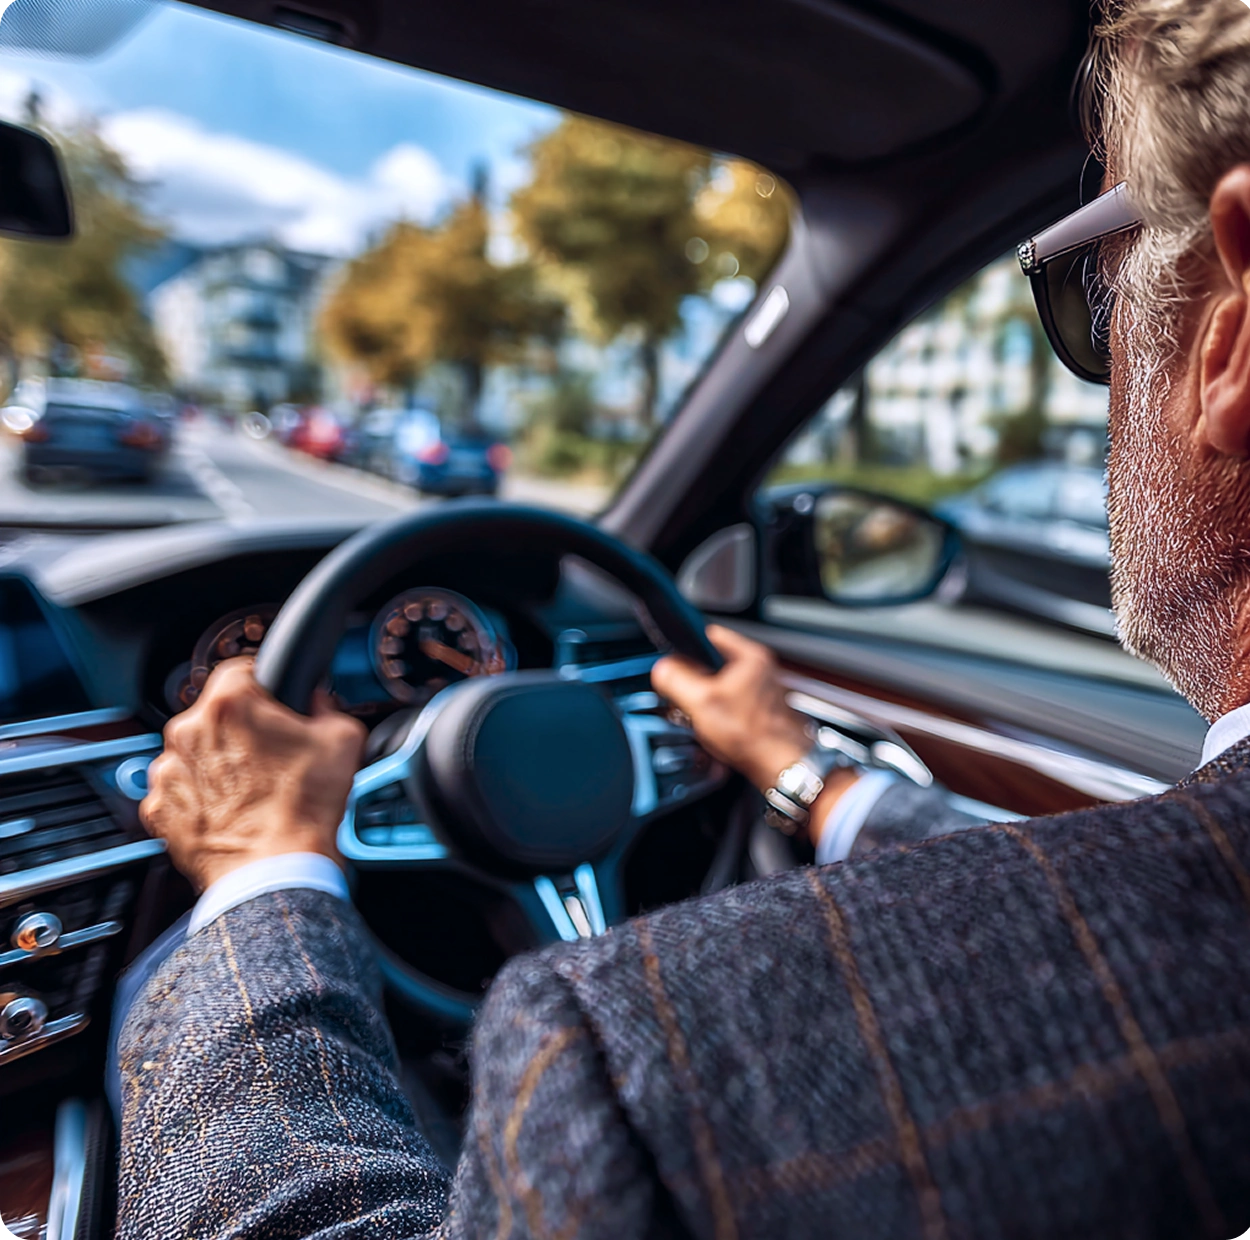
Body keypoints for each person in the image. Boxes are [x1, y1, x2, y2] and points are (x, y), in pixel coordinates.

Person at [117, 2, 1250, 1235]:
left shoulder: (649, 1073)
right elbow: (1107, 916)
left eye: (1096, 285)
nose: (1108, 370)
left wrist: (260, 868)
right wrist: (803, 774)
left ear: (1232, 332)